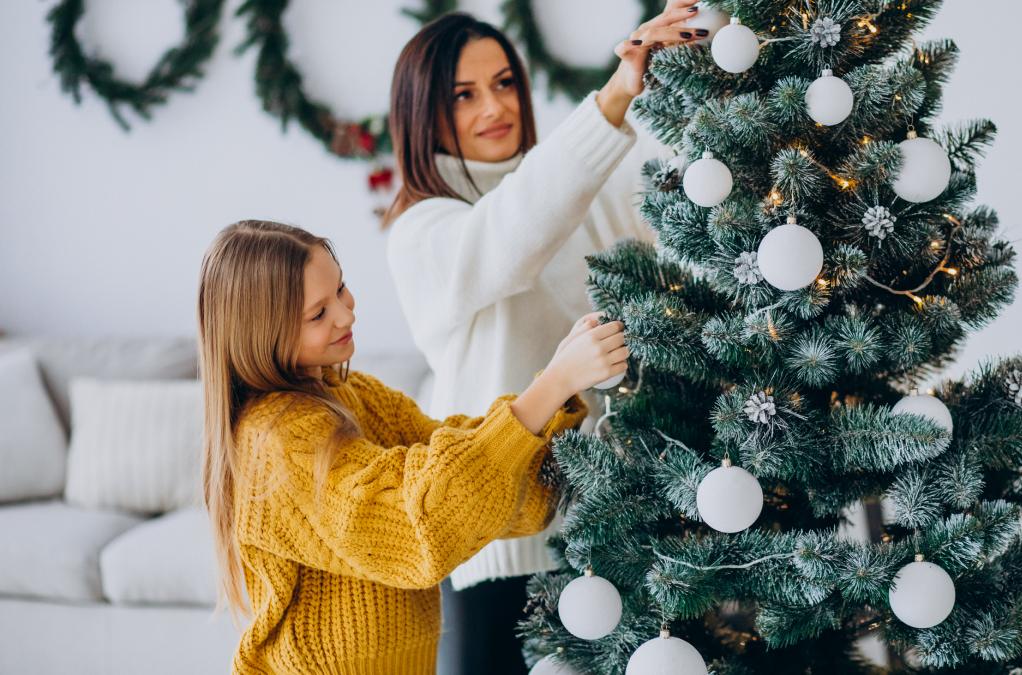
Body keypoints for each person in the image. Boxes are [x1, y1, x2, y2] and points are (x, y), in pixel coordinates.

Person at [382, 4, 701, 672]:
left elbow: (675, 177)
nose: (494, 107)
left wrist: (687, 61)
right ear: (422, 113)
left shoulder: (574, 178)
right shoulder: (423, 229)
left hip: (614, 519)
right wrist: (613, 93)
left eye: (503, 83)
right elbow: (512, 233)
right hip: (501, 542)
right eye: (463, 95)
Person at [197, 220, 628, 673]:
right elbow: (416, 527)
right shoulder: (276, 439)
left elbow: (464, 472)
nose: (345, 315)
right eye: (317, 314)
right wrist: (555, 383)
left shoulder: (355, 393)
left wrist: (554, 392)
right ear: (262, 333)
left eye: (341, 290)